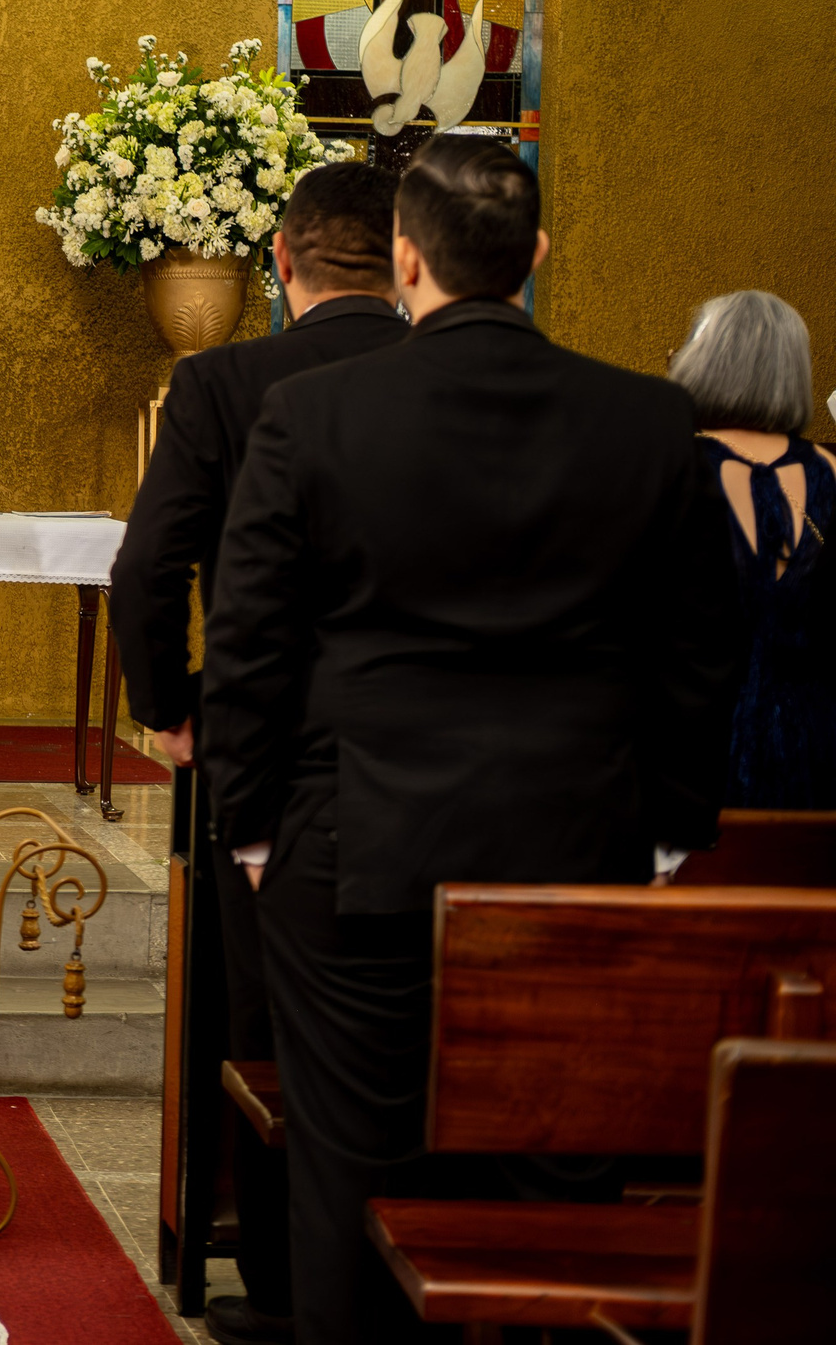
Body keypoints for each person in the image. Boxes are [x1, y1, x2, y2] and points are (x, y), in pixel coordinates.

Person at [201, 136, 740, 1345]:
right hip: (576, 839)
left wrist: (248, 828)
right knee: (559, 1159)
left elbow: (249, 640)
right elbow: (701, 647)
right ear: (534, 256)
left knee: (348, 1160)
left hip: (354, 842)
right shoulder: (648, 421)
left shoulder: (314, 410)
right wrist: (665, 830)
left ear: (404, 260)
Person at [108, 160, 406, 1345]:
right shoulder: (447, 379)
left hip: (269, 749)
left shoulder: (226, 378)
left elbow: (151, 564)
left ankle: (277, 1277)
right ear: (405, 259)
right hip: (432, 751)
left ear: (279, 263)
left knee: (265, 1024)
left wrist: (174, 706)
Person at [669, 290, 836, 808]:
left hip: (692, 745)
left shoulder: (667, 467)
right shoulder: (831, 473)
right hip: (817, 749)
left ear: (706, 361)